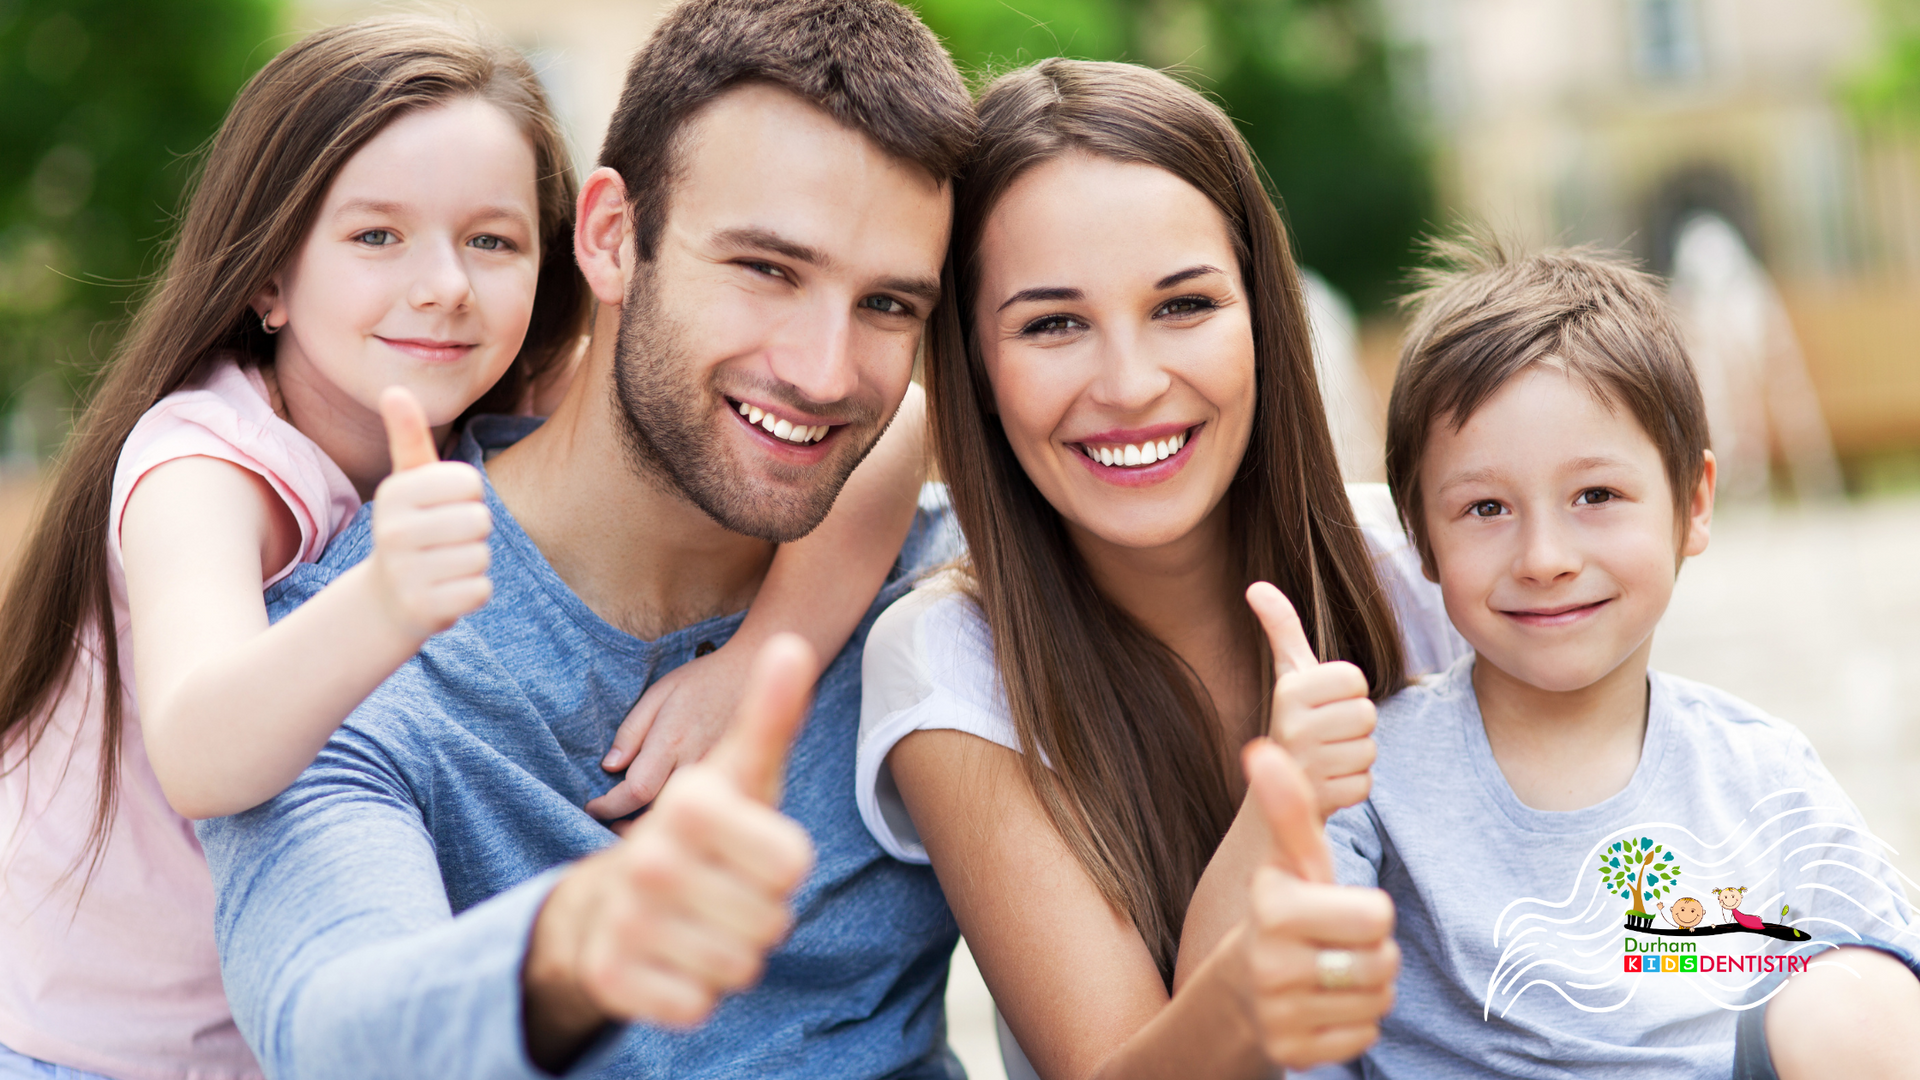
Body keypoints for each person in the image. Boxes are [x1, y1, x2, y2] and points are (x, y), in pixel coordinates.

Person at [0, 13, 925, 1079]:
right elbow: (203, 755)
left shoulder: (488, 386)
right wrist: (384, 605)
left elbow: (893, 428)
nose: (444, 284)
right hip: (87, 1045)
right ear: (268, 277)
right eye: (376, 236)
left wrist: (767, 652)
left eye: (490, 241)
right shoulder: (206, 467)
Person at [854, 59, 1467, 1079]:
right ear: (977, 371)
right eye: (1053, 324)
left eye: (1183, 306)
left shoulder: (1420, 573)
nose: (1131, 384)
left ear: (1266, 323)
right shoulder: (948, 664)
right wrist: (1278, 820)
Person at [1307, 236, 1920, 1078]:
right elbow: (1299, 1039)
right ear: (1419, 537)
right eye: (1486, 508)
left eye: (1596, 496)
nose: (1545, 556)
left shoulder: (1759, 771)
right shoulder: (1368, 775)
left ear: (1694, 503)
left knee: (1860, 997)